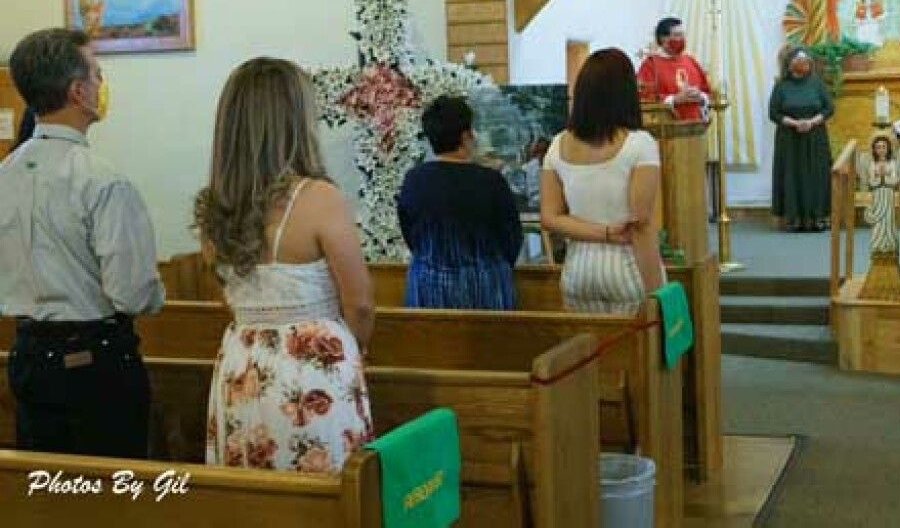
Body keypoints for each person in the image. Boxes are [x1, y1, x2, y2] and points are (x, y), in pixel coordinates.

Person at [195, 57, 374, 472]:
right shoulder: (319, 197)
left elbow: (229, 295)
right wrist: (355, 347)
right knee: (325, 493)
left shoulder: (215, 208)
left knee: (254, 497)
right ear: (295, 120)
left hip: (243, 365)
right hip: (310, 368)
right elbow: (360, 304)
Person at [0, 28, 163, 458]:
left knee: (48, 498)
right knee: (112, 500)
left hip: (29, 354)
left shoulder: (5, 174)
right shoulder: (102, 179)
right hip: (97, 361)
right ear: (77, 91)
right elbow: (131, 293)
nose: (102, 84)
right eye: (97, 74)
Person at [541, 48, 664, 315]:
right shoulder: (639, 144)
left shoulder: (558, 143)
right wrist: (658, 294)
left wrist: (602, 233)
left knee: (586, 355)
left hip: (577, 272)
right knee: (636, 355)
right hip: (626, 269)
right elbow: (640, 225)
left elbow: (549, 218)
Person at [398, 95, 523, 309]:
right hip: (486, 290)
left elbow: (410, 233)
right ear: (466, 135)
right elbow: (511, 239)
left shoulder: (414, 179)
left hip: (427, 289)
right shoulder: (490, 181)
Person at [770, 46, 834, 232]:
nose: (802, 63)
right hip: (789, 139)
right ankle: (793, 218)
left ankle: (818, 217)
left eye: (805, 60)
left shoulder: (817, 83)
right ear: (789, 64)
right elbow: (774, 113)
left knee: (817, 175)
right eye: (798, 60)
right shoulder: (781, 86)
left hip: (815, 137)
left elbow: (828, 108)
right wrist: (794, 123)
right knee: (792, 175)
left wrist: (812, 122)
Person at [637, 17, 712, 123]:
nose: (682, 39)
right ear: (663, 38)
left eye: (683, 35)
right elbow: (645, 100)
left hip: (696, 127)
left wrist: (700, 95)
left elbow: (707, 92)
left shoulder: (690, 61)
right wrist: (675, 99)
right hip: (667, 130)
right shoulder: (651, 65)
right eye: (677, 35)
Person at [861, 133, 900, 253]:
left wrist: (884, 178)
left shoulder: (892, 163)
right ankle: (877, 243)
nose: (881, 149)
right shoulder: (873, 164)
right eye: (878, 147)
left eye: (883, 146)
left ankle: (890, 243)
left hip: (888, 194)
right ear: (874, 149)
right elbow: (871, 183)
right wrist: (881, 179)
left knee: (888, 218)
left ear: (888, 148)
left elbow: (895, 181)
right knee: (879, 220)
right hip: (877, 195)